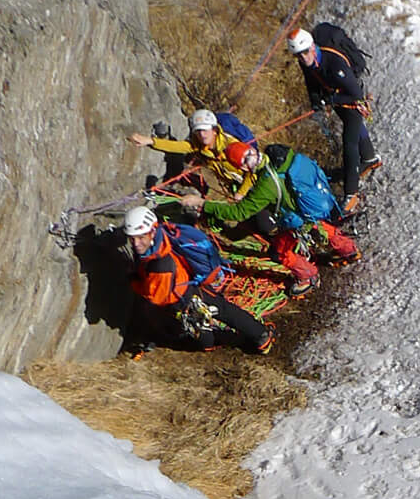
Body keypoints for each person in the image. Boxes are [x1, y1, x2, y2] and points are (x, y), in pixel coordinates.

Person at [122, 204, 273, 355]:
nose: (136, 243)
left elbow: (156, 298)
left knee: (205, 338)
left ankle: (254, 336)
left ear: (152, 232)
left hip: (183, 299)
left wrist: (134, 282)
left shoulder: (160, 265)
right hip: (194, 286)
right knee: (225, 310)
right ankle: (260, 334)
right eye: (132, 238)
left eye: (141, 237)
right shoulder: (163, 236)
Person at [176, 139, 321, 293]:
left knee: (279, 253)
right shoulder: (279, 158)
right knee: (321, 227)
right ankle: (347, 249)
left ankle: (308, 276)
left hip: (298, 219)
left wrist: (203, 203)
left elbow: (238, 212)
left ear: (243, 167)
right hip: (314, 203)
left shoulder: (266, 183)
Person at [289, 27, 379, 207]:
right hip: (335, 95)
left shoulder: (335, 63)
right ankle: (370, 159)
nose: (303, 58)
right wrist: (315, 101)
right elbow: (311, 81)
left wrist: (331, 100)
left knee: (349, 143)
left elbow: (355, 94)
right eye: (299, 55)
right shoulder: (306, 62)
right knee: (349, 124)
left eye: (306, 52)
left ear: (313, 48)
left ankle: (351, 193)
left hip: (351, 98)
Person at [128, 109, 237, 189]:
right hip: (233, 185)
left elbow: (251, 171)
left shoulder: (231, 145)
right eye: (198, 131)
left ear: (214, 130)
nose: (202, 135)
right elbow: (177, 146)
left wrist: (241, 193)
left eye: (205, 130)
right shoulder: (199, 146)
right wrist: (150, 141)